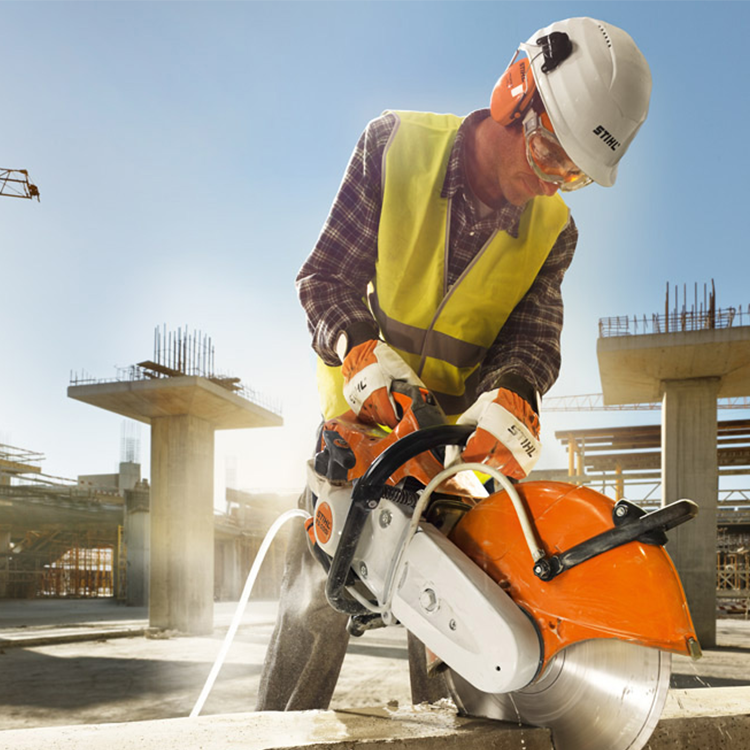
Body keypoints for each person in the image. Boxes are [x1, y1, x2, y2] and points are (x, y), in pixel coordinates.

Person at [256, 16, 652, 711]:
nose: (551, 183)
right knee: (316, 606)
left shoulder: (555, 231)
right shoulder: (393, 144)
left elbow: (531, 342)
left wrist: (517, 396)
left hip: (451, 457)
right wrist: (361, 351)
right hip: (362, 429)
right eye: (549, 155)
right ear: (513, 93)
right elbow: (325, 280)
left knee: (457, 632)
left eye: (572, 175)